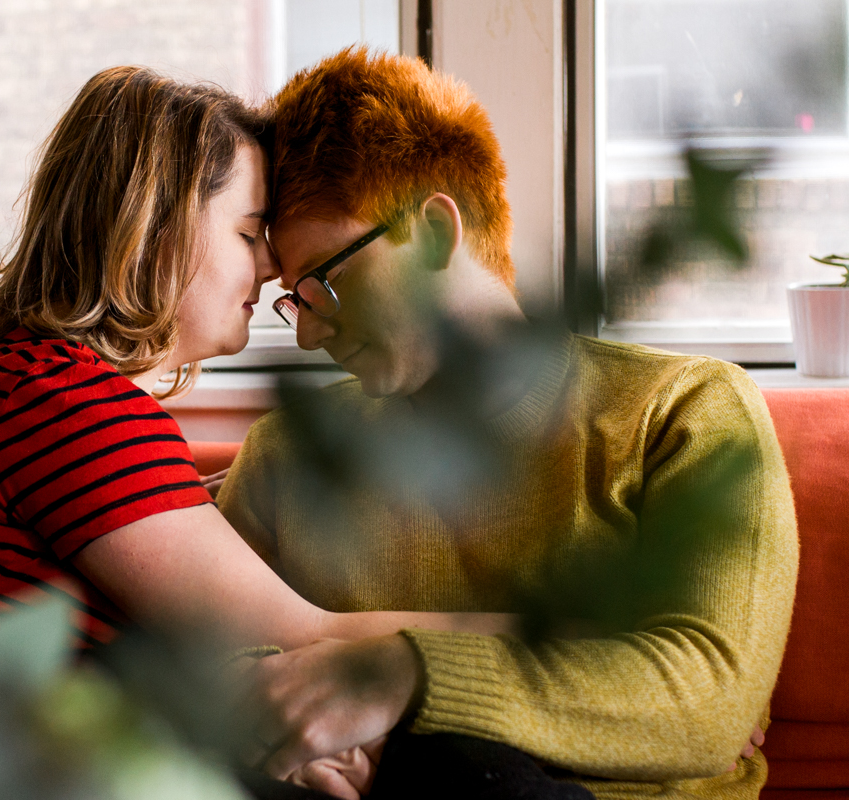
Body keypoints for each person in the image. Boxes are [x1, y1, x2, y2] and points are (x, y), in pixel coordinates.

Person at [0, 65, 532, 797]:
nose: (274, 267)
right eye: (249, 233)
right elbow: (302, 637)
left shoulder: (37, 389)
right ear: (154, 231)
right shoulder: (61, 399)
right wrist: (571, 640)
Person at [218, 47, 796, 800]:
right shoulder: (289, 451)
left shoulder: (686, 413)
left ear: (431, 232)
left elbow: (708, 701)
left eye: (323, 281)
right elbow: (208, 661)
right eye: (293, 298)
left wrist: (403, 675)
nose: (307, 334)